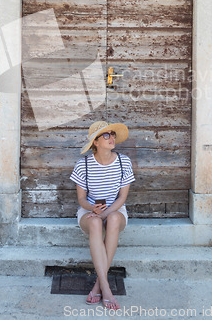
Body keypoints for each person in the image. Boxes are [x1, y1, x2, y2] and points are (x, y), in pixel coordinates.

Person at [70, 120, 135, 310]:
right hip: (89, 211)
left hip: (115, 209)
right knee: (97, 223)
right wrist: (92, 208)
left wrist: (107, 212)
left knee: (113, 219)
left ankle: (99, 285)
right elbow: (81, 199)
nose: (111, 138)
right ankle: (106, 289)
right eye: (106, 135)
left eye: (112, 134)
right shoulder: (83, 165)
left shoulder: (124, 162)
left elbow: (122, 197)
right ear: (95, 143)